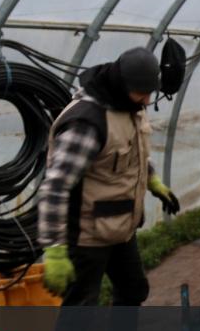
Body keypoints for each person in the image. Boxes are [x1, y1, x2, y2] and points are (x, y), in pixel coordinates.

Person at [37, 47, 181, 305]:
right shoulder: (87, 122)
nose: (147, 100)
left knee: (134, 291)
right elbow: (55, 187)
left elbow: (132, 154)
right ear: (121, 84)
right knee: (80, 313)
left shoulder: (130, 106)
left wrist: (153, 181)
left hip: (120, 227)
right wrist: (55, 249)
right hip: (86, 236)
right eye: (143, 93)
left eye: (150, 93)